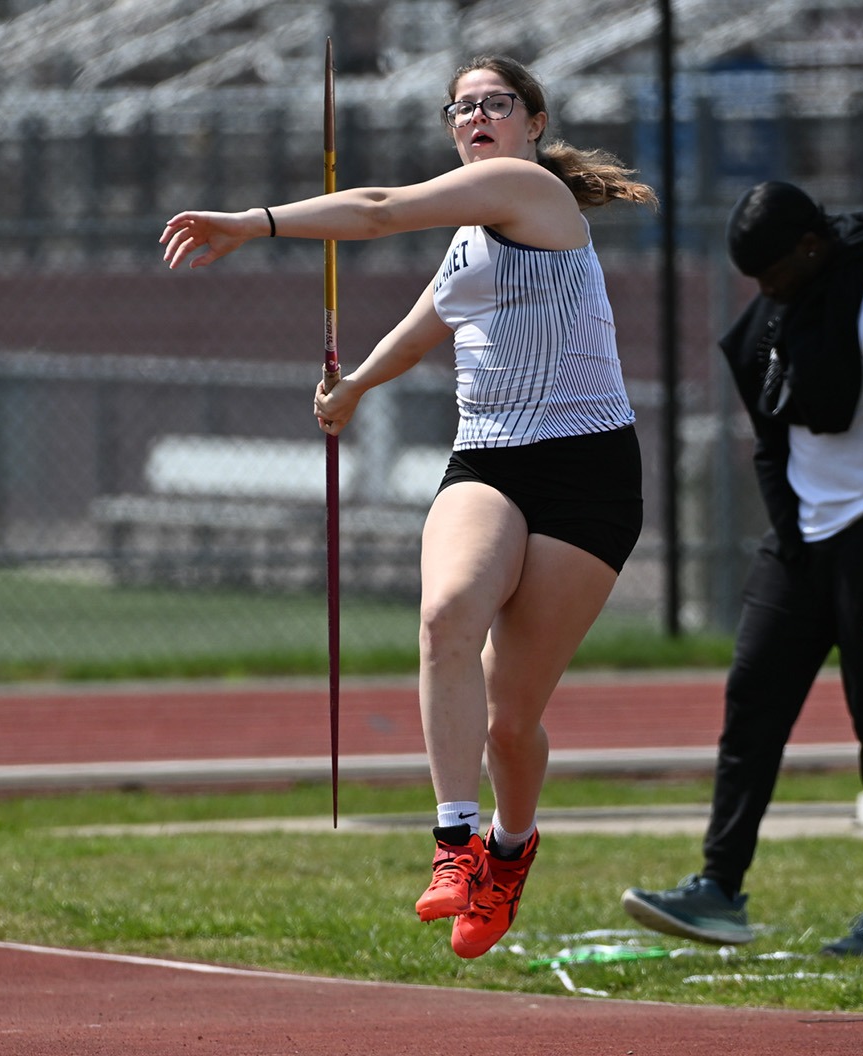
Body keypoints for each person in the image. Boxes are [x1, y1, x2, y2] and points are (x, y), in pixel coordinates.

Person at [162, 56, 655, 959]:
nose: (475, 120)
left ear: (534, 123)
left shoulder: (523, 188)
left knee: (513, 719)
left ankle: (512, 848)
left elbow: (382, 209)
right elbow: (433, 317)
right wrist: (354, 386)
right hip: (490, 462)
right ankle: (456, 843)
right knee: (444, 614)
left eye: (494, 105)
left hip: (588, 474)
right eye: (460, 108)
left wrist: (253, 223)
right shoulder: (472, 230)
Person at [620, 181, 863, 958]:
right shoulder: (777, 313)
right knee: (751, 705)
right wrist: (788, 526)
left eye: (771, 274)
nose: (762, 294)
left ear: (809, 247)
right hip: (801, 538)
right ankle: (718, 889)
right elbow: (771, 436)